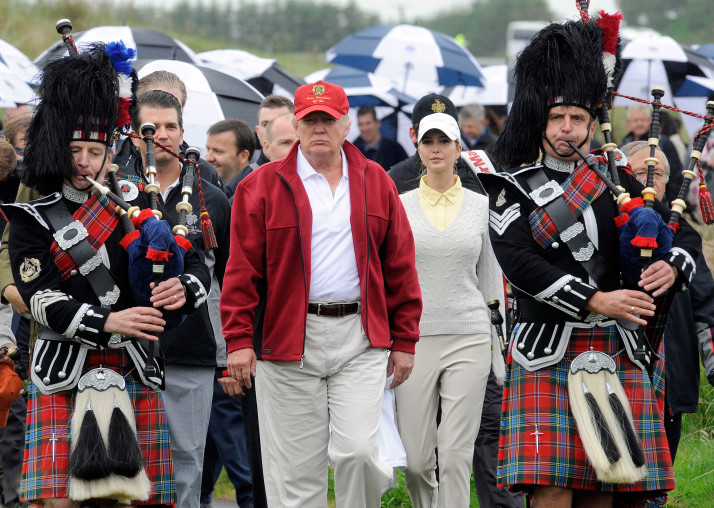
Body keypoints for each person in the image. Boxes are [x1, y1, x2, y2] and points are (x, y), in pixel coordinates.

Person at [479, 15, 701, 508]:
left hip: (615, 345)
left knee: (605, 486)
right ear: (540, 120)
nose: (567, 128)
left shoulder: (619, 178)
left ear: (590, 121)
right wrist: (598, 298)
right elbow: (519, 263)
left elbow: (679, 232)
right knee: (554, 489)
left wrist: (675, 265)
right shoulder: (512, 186)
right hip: (547, 348)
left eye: (577, 118)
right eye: (557, 118)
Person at [0, 42, 210, 506]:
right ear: (59, 149)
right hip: (62, 369)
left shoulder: (142, 204)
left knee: (133, 501)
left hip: (133, 364)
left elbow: (194, 263)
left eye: (94, 151)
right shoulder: (33, 217)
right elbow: (40, 298)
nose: (83, 162)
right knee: (58, 502)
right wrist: (107, 321)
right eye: (74, 150)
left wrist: (183, 288)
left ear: (110, 151)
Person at [220, 80, 422, 507]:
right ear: (295, 124)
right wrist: (238, 341)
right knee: (295, 474)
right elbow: (241, 273)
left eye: (327, 120)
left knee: (362, 455)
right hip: (287, 340)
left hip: (360, 338)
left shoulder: (376, 181)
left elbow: (400, 266)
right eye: (309, 120)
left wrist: (404, 341)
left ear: (346, 123)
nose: (318, 129)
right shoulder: (259, 186)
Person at [124, 89, 231, 508]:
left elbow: (224, 278)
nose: (162, 136)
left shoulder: (211, 199)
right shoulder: (117, 192)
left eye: (171, 126)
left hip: (191, 352)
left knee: (187, 463)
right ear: (133, 135)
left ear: (184, 131)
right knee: (124, 465)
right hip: (125, 349)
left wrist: (228, 352)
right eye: (151, 128)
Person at [395, 110, 504, 507]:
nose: (436, 149)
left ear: (459, 149)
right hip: (415, 339)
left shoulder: (481, 205)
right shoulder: (399, 204)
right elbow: (392, 278)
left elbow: (491, 280)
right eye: (429, 142)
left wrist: (499, 350)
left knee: (456, 452)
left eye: (445, 142)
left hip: (470, 335)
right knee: (417, 460)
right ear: (418, 148)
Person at [622, 141, 714, 462]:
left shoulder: (682, 240)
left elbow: (706, 305)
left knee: (658, 477)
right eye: (636, 173)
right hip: (613, 366)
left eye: (657, 173)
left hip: (669, 377)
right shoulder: (607, 226)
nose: (648, 181)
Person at [113, 70, 223, 190]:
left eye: (174, 103)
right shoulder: (115, 169)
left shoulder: (203, 171)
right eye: (153, 101)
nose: (164, 106)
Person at [387, 94, 486, 195]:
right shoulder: (393, 180)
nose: (436, 149)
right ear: (413, 134)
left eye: (444, 140)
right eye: (428, 140)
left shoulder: (482, 171)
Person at [621, 102, 683, 203]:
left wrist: (669, 204)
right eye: (635, 120)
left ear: (650, 121)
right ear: (629, 122)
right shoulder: (624, 144)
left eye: (642, 120)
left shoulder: (663, 143)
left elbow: (676, 177)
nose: (639, 123)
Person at [205, 118, 256, 200]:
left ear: (243, 156)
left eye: (218, 151)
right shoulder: (202, 188)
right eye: (208, 149)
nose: (208, 158)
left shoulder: (254, 196)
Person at [254, 95, 294, 165]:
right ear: (258, 132)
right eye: (265, 124)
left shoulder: (315, 172)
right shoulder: (246, 175)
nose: (270, 129)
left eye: (280, 123)